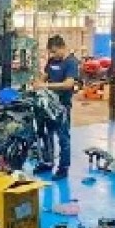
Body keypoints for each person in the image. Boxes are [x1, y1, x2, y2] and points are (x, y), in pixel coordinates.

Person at [33, 35, 79, 180]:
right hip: (48, 105)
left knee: (63, 137)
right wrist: (38, 82)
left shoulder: (71, 62)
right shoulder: (52, 61)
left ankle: (63, 168)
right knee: (46, 134)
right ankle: (48, 162)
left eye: (54, 51)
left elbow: (68, 84)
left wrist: (46, 85)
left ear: (62, 47)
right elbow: (45, 76)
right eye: (50, 52)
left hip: (62, 106)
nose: (52, 55)